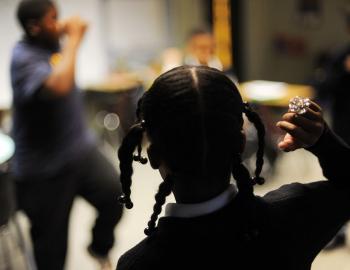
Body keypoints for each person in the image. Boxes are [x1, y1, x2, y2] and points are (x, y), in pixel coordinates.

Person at [116, 65, 350, 270]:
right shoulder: (294, 215)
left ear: (154, 156)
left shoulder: (138, 264)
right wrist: (324, 142)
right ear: (240, 144)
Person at [10, 1, 123, 269]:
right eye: (53, 19)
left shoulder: (52, 47)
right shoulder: (23, 57)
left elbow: (63, 70)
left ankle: (98, 247)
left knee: (115, 196)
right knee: (51, 254)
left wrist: (68, 43)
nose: (60, 24)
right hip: (44, 170)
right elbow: (59, 85)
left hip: (79, 151)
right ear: (34, 27)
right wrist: (74, 39)